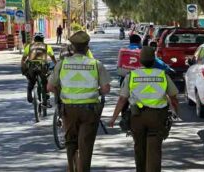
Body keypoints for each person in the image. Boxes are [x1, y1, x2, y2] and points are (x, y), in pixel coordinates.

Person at [47, 31, 111, 172]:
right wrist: (95, 92)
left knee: (70, 142)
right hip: (90, 110)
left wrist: (63, 92)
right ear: (87, 48)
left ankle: (71, 168)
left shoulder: (62, 64)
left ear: (73, 48)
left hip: (69, 110)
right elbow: (106, 89)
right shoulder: (96, 64)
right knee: (86, 145)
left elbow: (50, 87)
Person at [109, 46, 179, 172]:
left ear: (140, 61)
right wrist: (176, 112)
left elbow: (122, 99)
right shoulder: (163, 75)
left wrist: (114, 118)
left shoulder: (131, 76)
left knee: (139, 149)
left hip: (137, 117)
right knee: (155, 150)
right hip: (157, 118)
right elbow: (173, 97)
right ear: (154, 61)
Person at [22, 33, 57, 103]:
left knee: (31, 81)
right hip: (43, 68)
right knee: (45, 82)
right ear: (43, 40)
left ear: (34, 40)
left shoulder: (29, 46)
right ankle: (47, 99)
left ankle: (29, 91)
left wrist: (23, 69)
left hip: (32, 68)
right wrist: (56, 66)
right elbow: (53, 59)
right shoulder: (47, 46)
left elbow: (23, 59)